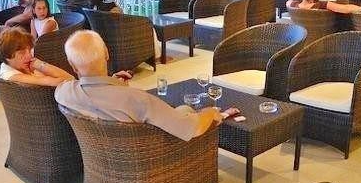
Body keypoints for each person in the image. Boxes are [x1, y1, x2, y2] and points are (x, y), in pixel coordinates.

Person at [55, 30, 237, 140]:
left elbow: (85, 87)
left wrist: (112, 82)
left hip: (101, 165)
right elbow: (193, 129)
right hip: (149, 164)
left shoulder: (64, 92)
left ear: (72, 65)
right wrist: (210, 113)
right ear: (107, 54)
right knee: (186, 110)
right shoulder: (137, 99)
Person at [0, 28, 74, 86]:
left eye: (30, 51)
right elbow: (70, 79)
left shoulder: (16, 66)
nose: (29, 56)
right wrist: (41, 65)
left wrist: (40, 64)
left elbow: (70, 79)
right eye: (22, 53)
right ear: (7, 56)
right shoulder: (13, 76)